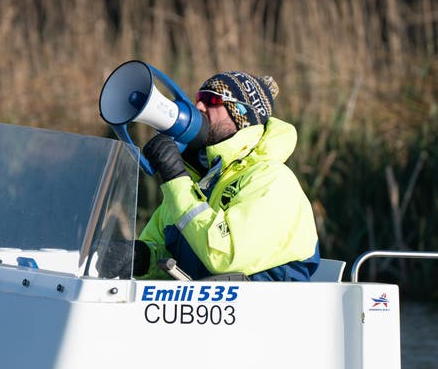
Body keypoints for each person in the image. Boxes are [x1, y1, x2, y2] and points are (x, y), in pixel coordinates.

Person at [131, 71, 320, 281]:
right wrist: (143, 258)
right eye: (198, 99)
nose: (199, 107)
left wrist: (176, 179)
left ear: (242, 113)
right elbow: (171, 251)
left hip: (265, 311)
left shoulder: (273, 180)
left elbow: (224, 255)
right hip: (207, 310)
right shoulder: (201, 182)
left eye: (211, 99)